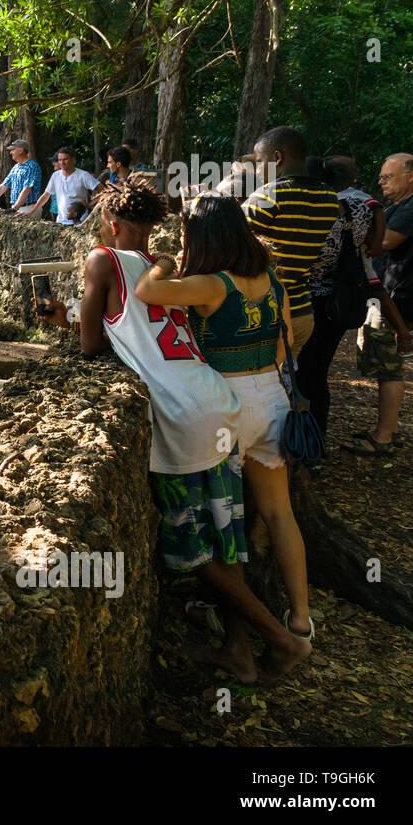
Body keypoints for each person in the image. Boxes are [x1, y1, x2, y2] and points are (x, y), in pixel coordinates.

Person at [39, 183, 310, 681]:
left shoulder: (103, 260)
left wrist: (75, 325)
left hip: (184, 419)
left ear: (111, 226)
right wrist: (71, 320)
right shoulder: (171, 270)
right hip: (217, 401)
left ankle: (281, 640)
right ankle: (240, 653)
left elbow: (91, 348)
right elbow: (141, 332)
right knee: (226, 538)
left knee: (193, 548)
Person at [134, 194, 315, 650]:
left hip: (225, 407)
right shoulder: (272, 280)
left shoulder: (213, 285)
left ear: (203, 237)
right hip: (272, 398)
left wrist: (163, 261)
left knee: (223, 524)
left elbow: (147, 292)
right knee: (278, 513)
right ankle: (300, 618)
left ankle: (236, 630)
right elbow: (286, 340)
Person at [297, 156, 412, 443]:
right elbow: (375, 250)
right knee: (318, 373)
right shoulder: (365, 204)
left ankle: (294, 440)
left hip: (302, 300)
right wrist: (402, 331)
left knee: (296, 373)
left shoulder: (314, 205)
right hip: (337, 304)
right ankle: (316, 440)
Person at [343, 152, 413, 455]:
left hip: (398, 297)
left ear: (411, 176)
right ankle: (385, 429)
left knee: (389, 368)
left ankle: (383, 438)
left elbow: (386, 241)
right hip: (390, 295)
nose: (381, 181)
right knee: (383, 365)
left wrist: (351, 234)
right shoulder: (399, 206)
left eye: (388, 176)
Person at [242, 126, 339, 354]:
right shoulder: (329, 198)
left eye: (259, 161)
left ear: (277, 157)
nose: (257, 169)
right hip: (301, 312)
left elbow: (229, 243)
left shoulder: (267, 196)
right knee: (283, 385)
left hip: (262, 314)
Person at [17, 146, 98, 222]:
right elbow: (45, 196)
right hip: (61, 222)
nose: (62, 162)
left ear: (73, 160)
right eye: (60, 160)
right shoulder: (55, 175)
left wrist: (89, 205)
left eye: (65, 159)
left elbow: (105, 192)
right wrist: (30, 212)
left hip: (80, 222)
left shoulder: (83, 175)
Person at [0, 140, 40, 211]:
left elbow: (27, 188)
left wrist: (15, 207)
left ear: (21, 150)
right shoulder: (15, 167)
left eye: (13, 150)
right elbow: (3, 187)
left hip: (28, 208)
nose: (10, 152)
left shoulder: (32, 166)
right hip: (17, 207)